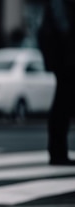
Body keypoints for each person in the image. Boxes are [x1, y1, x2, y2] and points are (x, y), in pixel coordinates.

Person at [38, 0, 75, 166]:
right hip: (66, 62)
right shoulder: (59, 5)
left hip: (64, 61)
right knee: (62, 106)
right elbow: (64, 30)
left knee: (62, 106)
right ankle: (58, 152)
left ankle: (57, 152)